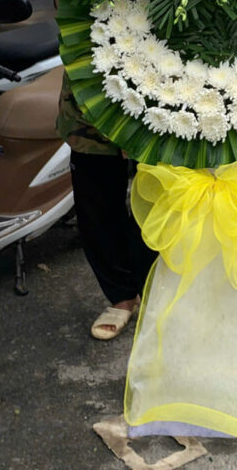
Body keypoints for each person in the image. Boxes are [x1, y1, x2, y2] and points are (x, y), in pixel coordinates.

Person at [56, 74, 157, 340]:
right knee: (95, 199)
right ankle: (121, 295)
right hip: (93, 88)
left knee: (160, 199)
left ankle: (156, 292)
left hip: (163, 87)